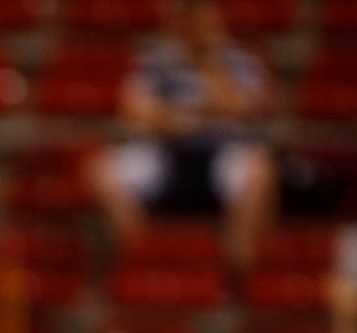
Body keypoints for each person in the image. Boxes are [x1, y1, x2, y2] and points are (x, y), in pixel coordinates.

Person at [86, 0, 275, 272]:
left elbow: (240, 109)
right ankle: (144, 259)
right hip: (164, 151)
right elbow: (136, 112)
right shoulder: (156, 62)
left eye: (200, 18)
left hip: (222, 151)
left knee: (260, 171)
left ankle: (236, 269)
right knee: (102, 170)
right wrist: (198, 114)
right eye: (186, 19)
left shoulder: (239, 61)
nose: (193, 26)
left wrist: (209, 60)